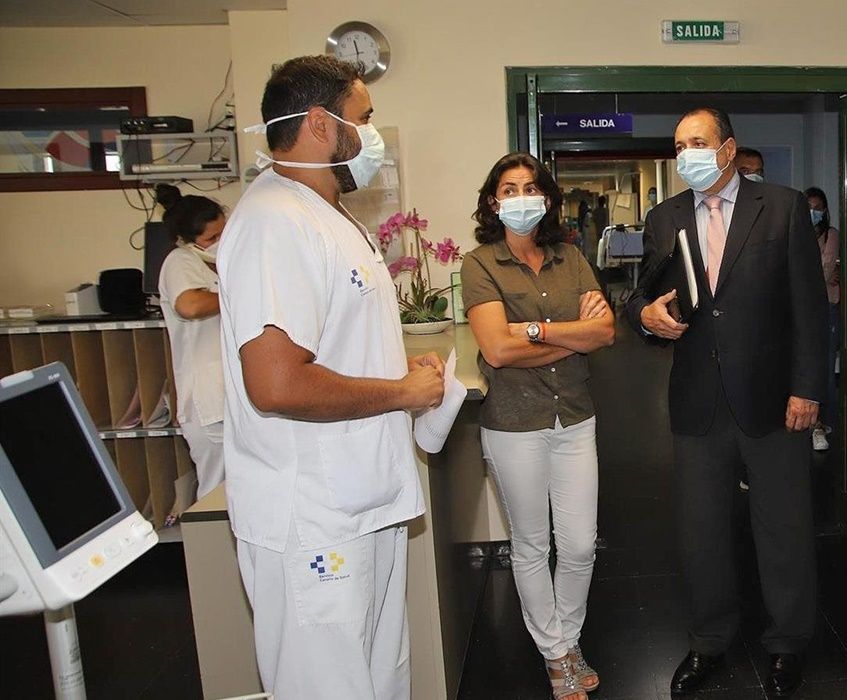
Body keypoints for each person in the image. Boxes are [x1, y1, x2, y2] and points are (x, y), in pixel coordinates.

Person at [217, 55, 446, 699]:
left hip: (364, 498)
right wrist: (400, 392)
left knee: (380, 678)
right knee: (328, 688)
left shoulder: (333, 217)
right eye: (365, 120)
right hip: (311, 516)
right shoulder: (272, 221)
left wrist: (397, 374)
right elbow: (277, 383)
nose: (373, 136)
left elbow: (335, 349)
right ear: (320, 124)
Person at [625, 107, 826, 697]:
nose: (686, 152)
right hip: (697, 403)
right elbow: (644, 292)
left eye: (698, 142)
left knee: (783, 529)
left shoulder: (783, 208)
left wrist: (808, 386)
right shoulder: (665, 217)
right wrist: (644, 315)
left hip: (773, 399)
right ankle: (709, 640)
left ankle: (787, 642)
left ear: (729, 149)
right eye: (679, 143)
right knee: (700, 531)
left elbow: (810, 311)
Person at [460, 152, 615, 700]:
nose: (521, 196)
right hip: (514, 423)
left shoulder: (571, 257)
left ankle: (568, 638)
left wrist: (534, 330)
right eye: (509, 188)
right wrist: (570, 333)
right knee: (531, 545)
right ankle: (555, 653)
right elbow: (496, 350)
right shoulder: (479, 264)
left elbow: (605, 334)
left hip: (574, 415)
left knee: (577, 546)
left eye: (530, 187)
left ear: (546, 199)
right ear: (492, 201)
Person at [154, 183, 227, 501]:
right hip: (207, 400)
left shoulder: (219, 262)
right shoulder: (179, 261)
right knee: (217, 495)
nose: (219, 242)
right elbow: (190, 305)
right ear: (185, 240)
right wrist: (240, 296)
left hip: (230, 396)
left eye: (223, 232)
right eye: (211, 238)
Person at [803, 186, 840, 452]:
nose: (813, 213)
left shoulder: (832, 236)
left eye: (818, 208)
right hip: (799, 309)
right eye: (808, 208)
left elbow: (826, 271)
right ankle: (805, 420)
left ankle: (821, 423)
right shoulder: (793, 232)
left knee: (825, 367)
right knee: (803, 366)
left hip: (827, 307)